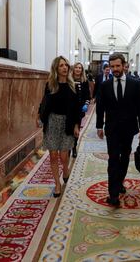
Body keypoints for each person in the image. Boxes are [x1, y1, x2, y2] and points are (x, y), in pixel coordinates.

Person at [96, 53, 140, 207]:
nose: (115, 69)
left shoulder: (135, 84)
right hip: (112, 129)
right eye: (112, 66)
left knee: (124, 159)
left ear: (124, 65)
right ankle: (113, 194)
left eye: (118, 66)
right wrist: (99, 126)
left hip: (129, 129)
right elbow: (100, 107)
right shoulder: (105, 85)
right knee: (113, 159)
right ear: (109, 67)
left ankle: (119, 183)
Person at [36, 56, 80, 198]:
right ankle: (57, 183)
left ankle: (65, 170)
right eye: (61, 65)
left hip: (67, 123)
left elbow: (77, 108)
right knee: (53, 155)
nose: (64, 67)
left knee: (63, 156)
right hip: (52, 122)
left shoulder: (73, 86)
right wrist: (39, 116)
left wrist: (76, 125)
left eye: (66, 65)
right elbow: (44, 103)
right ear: (56, 68)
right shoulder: (50, 85)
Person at [71, 62, 91, 158]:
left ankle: (74, 147)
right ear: (73, 69)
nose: (78, 69)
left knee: (76, 129)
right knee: (68, 129)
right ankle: (67, 147)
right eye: (76, 67)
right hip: (69, 109)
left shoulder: (84, 81)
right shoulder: (68, 80)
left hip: (79, 110)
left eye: (80, 68)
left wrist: (86, 104)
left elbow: (88, 95)